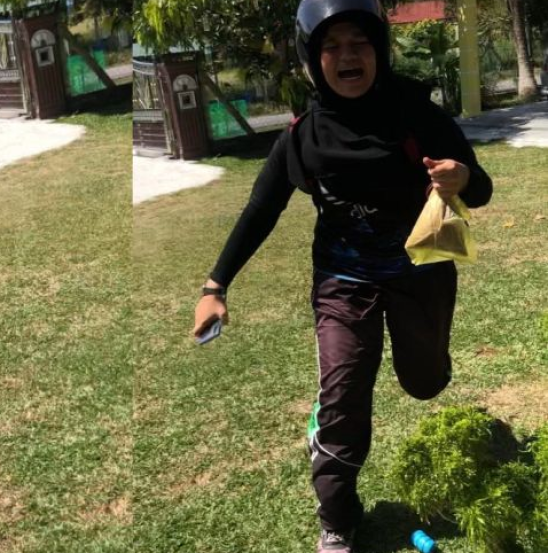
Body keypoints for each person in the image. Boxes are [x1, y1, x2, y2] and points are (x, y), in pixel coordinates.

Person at [192, 0, 492, 551]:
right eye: (331, 47)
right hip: (342, 280)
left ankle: (414, 371)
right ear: (312, 59)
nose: (347, 56)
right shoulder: (303, 136)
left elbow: (481, 188)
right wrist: (216, 285)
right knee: (344, 397)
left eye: (359, 43)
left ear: (379, 50)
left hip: (421, 272)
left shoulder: (418, 116)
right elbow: (261, 209)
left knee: (425, 383)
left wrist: (462, 176)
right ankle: (337, 517)